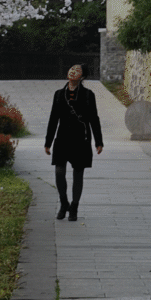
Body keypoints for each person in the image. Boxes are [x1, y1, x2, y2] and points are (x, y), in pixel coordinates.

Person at [44, 63, 103, 221]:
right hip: (62, 139)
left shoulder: (88, 95)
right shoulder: (58, 94)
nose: (72, 71)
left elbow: (93, 119)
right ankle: (64, 202)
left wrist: (99, 141)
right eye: (71, 68)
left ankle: (74, 206)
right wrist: (48, 142)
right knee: (59, 172)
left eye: (77, 70)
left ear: (82, 77)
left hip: (81, 140)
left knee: (78, 174)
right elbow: (53, 118)